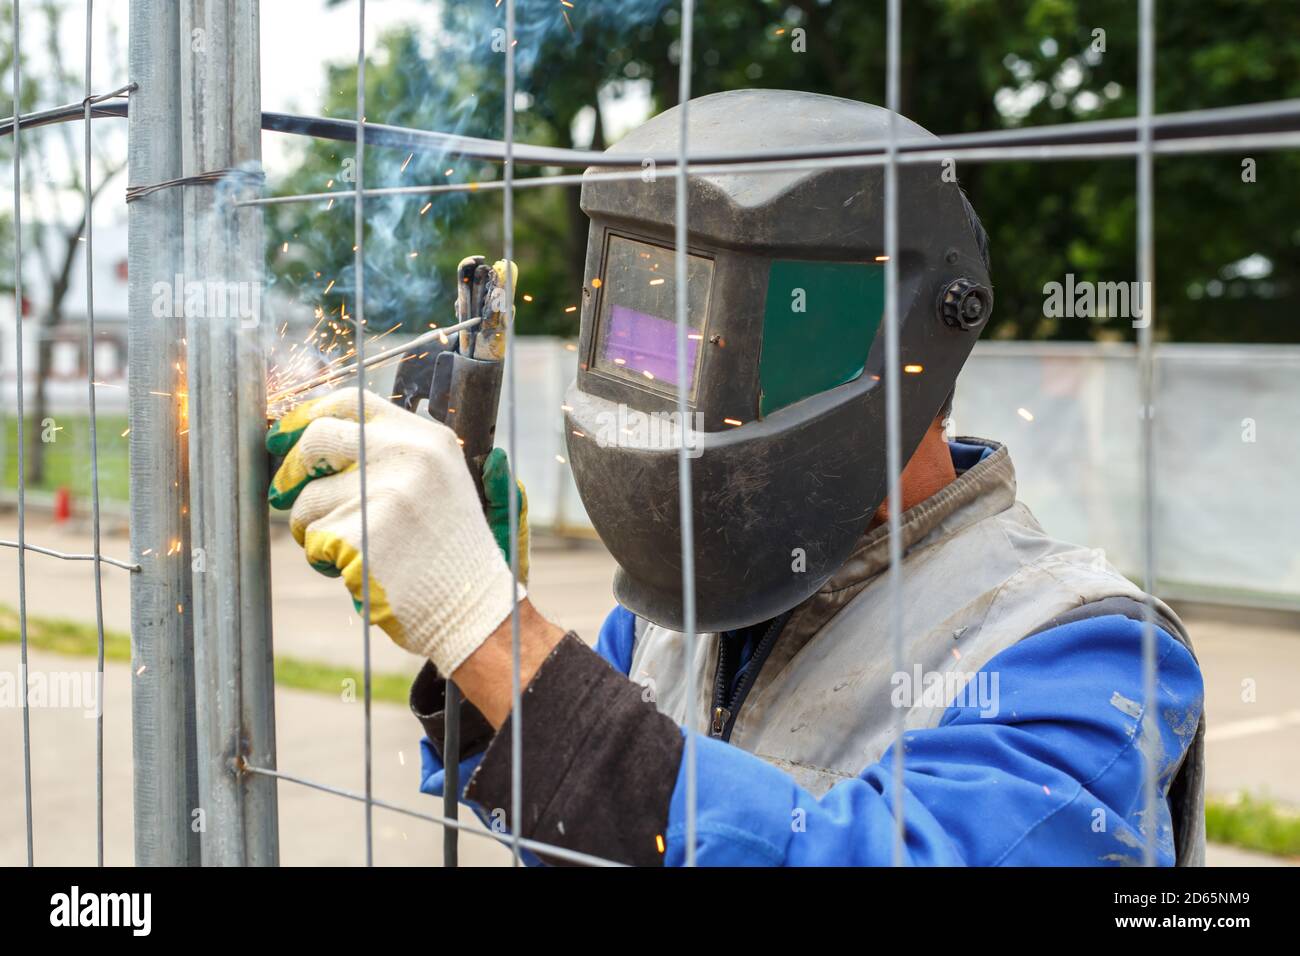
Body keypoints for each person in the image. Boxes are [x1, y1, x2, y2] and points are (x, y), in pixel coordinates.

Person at [266, 90, 1205, 867]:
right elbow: (607, 841)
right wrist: (473, 636)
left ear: (868, 347)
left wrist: (491, 632)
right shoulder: (679, 605)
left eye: (699, 339)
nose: (659, 387)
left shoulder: (1083, 650)